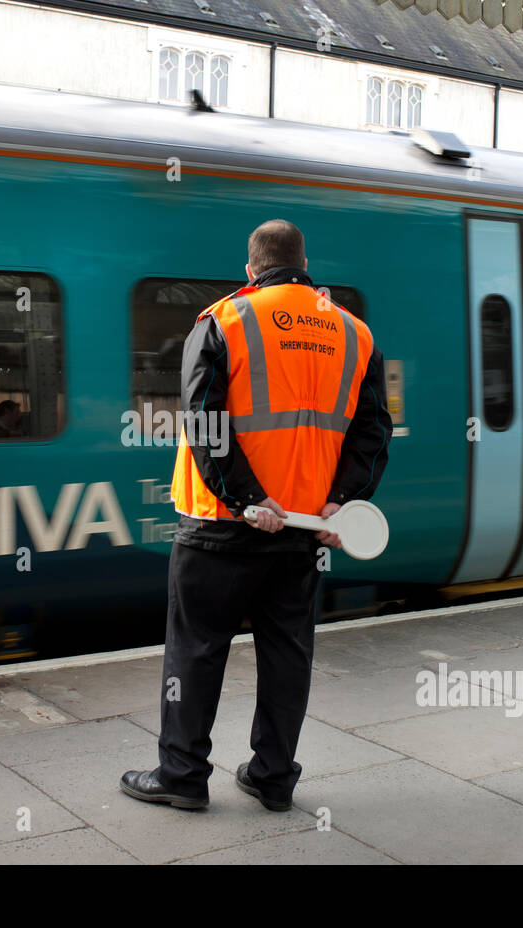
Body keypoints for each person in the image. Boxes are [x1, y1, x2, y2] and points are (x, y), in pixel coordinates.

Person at [120, 219, 393, 811]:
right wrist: (340, 502)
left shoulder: (223, 320)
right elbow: (373, 430)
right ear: (304, 265)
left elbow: (204, 423)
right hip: (303, 528)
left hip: (219, 525)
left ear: (251, 269)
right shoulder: (354, 333)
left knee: (195, 650)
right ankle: (273, 778)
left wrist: (246, 499)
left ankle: (183, 777)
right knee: (287, 652)